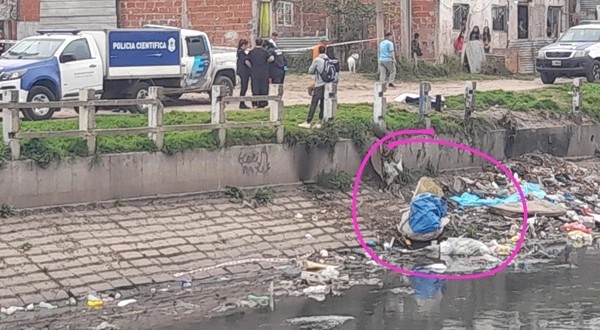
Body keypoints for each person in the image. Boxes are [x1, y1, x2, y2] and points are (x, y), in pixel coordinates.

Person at [299, 45, 339, 129]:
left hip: (319, 84)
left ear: (318, 52)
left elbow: (310, 71)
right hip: (328, 85)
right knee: (323, 104)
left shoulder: (317, 60)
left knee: (314, 103)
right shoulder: (329, 60)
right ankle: (320, 121)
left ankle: (308, 121)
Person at [246, 38, 274, 108]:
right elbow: (272, 58)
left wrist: (251, 67)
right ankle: (263, 103)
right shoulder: (265, 52)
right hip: (264, 72)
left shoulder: (251, 52)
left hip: (254, 72)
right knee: (264, 87)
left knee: (255, 87)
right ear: (262, 43)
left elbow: (246, 61)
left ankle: (255, 103)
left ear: (255, 43)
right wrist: (267, 61)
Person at [236, 39, 251, 109]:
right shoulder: (242, 53)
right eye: (246, 45)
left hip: (242, 72)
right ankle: (241, 103)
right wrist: (252, 68)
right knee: (244, 87)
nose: (247, 46)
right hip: (244, 72)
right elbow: (246, 62)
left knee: (244, 87)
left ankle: (242, 102)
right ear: (243, 45)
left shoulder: (239, 52)